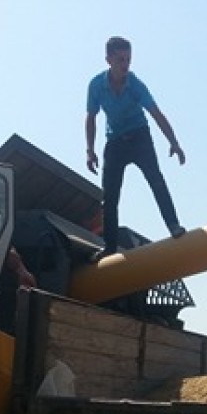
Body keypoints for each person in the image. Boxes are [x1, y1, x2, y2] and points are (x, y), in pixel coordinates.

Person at [85, 35, 186, 256]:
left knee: (156, 180)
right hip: (115, 142)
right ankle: (109, 247)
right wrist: (90, 151)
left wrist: (174, 143)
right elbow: (91, 118)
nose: (125, 65)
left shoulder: (136, 85)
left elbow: (156, 114)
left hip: (139, 137)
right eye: (120, 60)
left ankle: (173, 225)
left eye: (128, 60)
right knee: (110, 197)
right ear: (108, 60)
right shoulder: (96, 85)